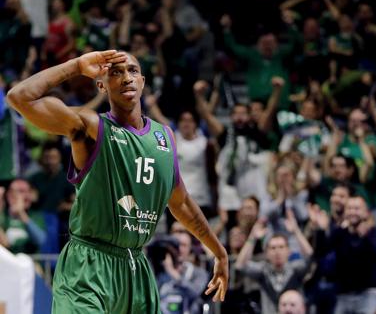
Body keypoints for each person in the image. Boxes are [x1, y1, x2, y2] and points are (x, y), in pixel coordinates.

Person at [6, 50, 228, 313]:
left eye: (133, 71)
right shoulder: (89, 126)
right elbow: (19, 97)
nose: (126, 78)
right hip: (88, 265)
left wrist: (219, 251)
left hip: (135, 267)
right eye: (115, 72)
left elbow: (181, 203)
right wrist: (76, 66)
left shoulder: (164, 137)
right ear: (101, 85)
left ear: (143, 81)